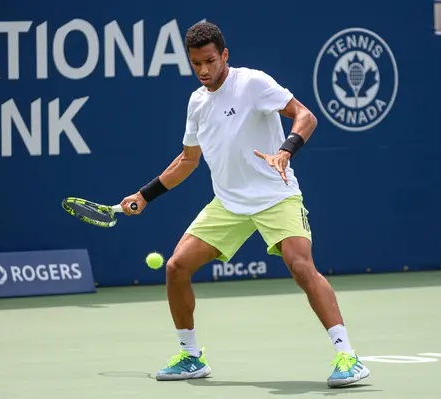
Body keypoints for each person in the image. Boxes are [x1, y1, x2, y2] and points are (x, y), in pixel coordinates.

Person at [119, 21, 370, 388]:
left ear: (224, 55)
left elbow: (306, 116)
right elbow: (188, 160)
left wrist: (286, 151)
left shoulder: (252, 83)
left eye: (209, 61)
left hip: (275, 196)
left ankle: (348, 356)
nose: (203, 71)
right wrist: (145, 195)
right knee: (176, 267)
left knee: (301, 267)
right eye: (195, 64)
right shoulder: (197, 102)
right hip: (229, 204)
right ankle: (191, 356)